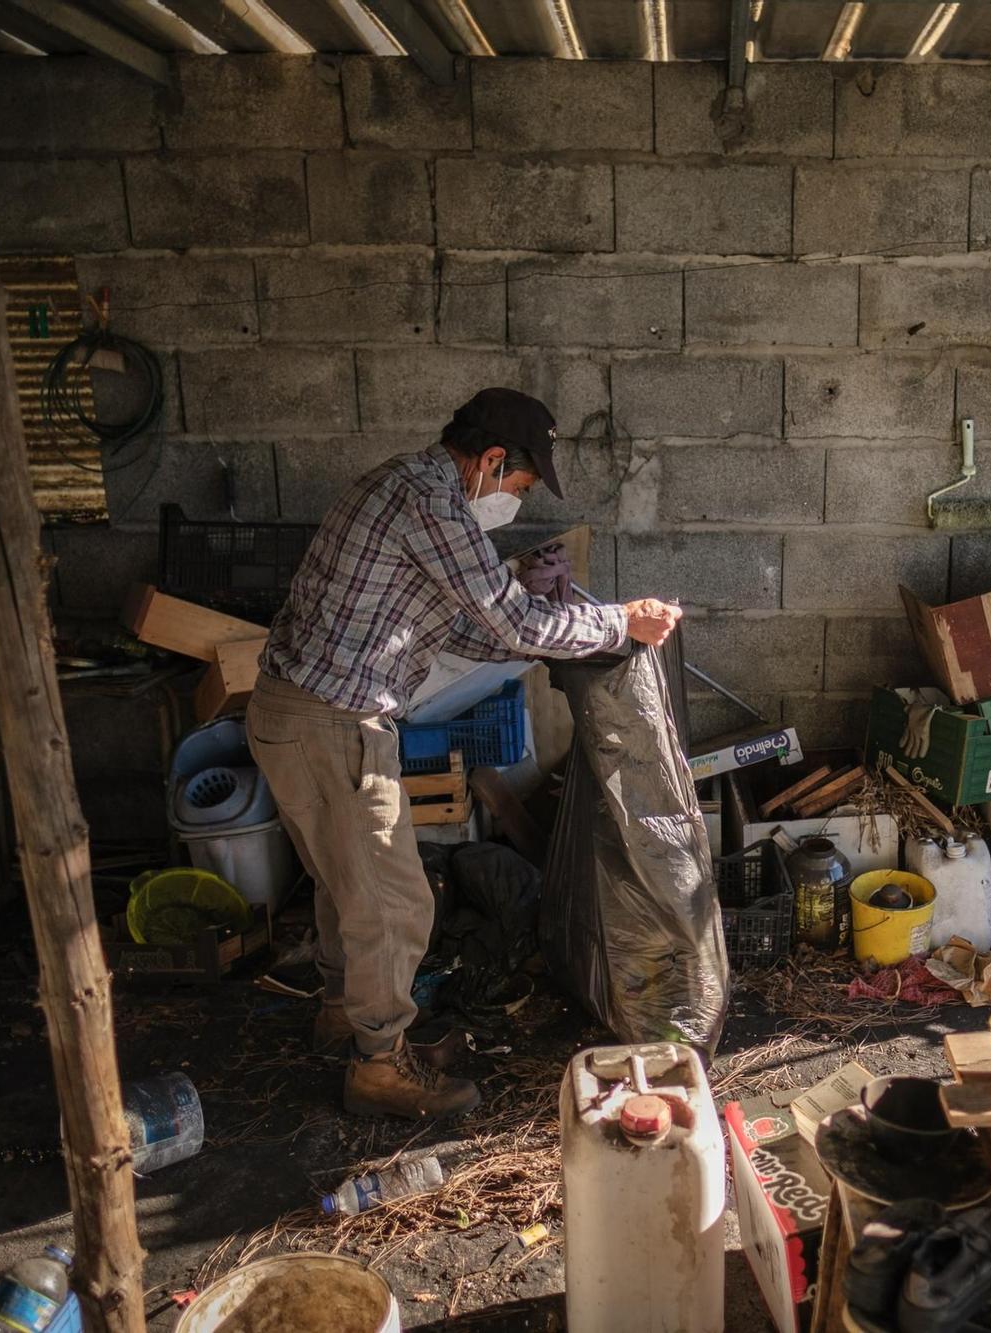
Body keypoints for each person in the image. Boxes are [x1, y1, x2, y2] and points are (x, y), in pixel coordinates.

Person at [245, 387, 683, 1120]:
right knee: (395, 901)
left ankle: (343, 1018)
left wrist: (560, 619)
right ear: (487, 461)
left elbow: (466, 628)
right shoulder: (433, 505)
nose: (515, 498)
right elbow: (508, 619)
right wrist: (619, 622)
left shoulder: (404, 486)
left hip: (296, 714)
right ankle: (379, 1067)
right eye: (518, 483)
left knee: (342, 882)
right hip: (333, 723)